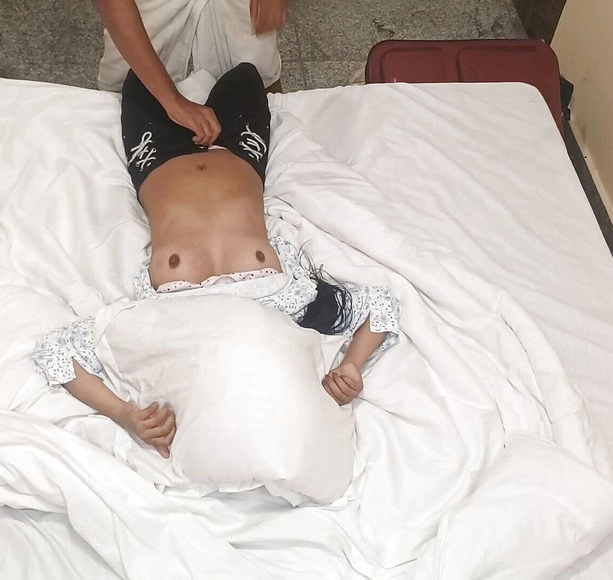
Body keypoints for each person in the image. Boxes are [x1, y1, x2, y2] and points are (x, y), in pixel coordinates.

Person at [33, 63, 400, 459]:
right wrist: (352, 366)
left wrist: (125, 413)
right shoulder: (286, 312)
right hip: (238, 155)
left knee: (142, 80)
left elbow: (58, 353)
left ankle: (179, 98)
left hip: (158, 161)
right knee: (245, 76)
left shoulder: (163, 330)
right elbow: (379, 305)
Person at [93, 0, 287, 148]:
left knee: (263, 106)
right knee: (125, 122)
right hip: (146, 17)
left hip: (242, 14)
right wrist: (172, 101)